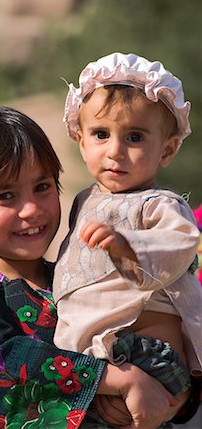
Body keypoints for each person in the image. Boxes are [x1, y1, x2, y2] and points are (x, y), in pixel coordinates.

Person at [0, 106, 179, 429]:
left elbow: (150, 336)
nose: (31, 209)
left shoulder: (77, 280)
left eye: (43, 187)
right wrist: (113, 379)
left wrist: (167, 397)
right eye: (6, 196)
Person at [53, 53, 202, 425]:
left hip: (147, 354)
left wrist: (127, 245)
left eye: (134, 137)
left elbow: (182, 242)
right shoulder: (84, 201)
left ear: (167, 150)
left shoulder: (159, 205)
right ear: (80, 140)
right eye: (101, 134)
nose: (115, 151)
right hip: (98, 356)